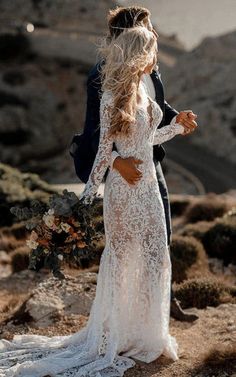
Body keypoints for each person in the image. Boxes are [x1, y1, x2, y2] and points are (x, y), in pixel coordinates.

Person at [0, 26, 197, 377]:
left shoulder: (142, 90)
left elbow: (150, 140)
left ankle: (149, 336)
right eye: (152, 49)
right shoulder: (111, 95)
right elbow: (104, 152)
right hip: (123, 190)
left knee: (156, 254)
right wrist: (83, 203)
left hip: (149, 189)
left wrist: (178, 127)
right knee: (121, 260)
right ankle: (115, 334)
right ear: (141, 52)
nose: (155, 57)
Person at [82, 6, 198, 322]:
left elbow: (155, 109)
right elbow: (97, 133)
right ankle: (123, 321)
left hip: (150, 167)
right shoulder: (100, 77)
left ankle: (160, 306)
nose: (155, 34)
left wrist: (177, 120)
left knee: (160, 239)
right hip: (124, 171)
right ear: (133, 35)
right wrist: (115, 164)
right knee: (123, 251)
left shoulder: (150, 70)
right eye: (148, 29)